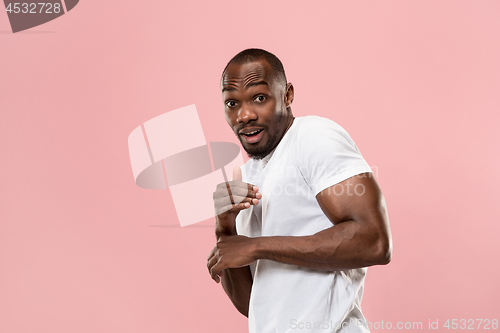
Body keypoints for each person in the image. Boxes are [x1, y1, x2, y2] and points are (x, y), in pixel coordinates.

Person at [207, 48, 392, 333]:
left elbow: (375, 242)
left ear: (288, 95)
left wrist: (256, 246)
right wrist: (226, 229)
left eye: (259, 98)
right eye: (232, 103)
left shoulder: (313, 137)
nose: (244, 115)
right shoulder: (246, 177)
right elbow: (252, 304)